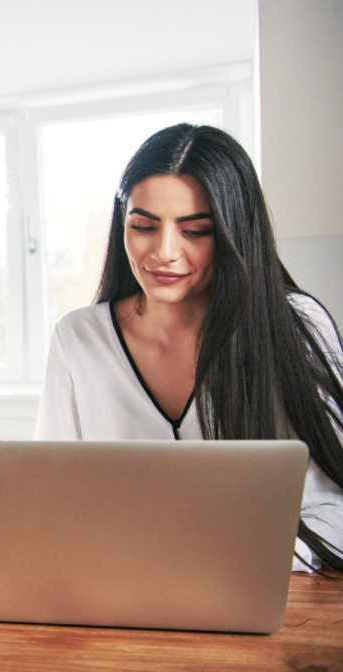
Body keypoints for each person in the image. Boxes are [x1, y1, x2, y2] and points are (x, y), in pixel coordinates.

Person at [34, 123, 343, 572]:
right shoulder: (77, 337)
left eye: (195, 231)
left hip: (260, 586)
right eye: (143, 226)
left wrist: (236, 557)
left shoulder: (295, 326)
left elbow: (333, 505)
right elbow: (51, 497)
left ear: (234, 233)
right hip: (121, 586)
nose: (164, 252)